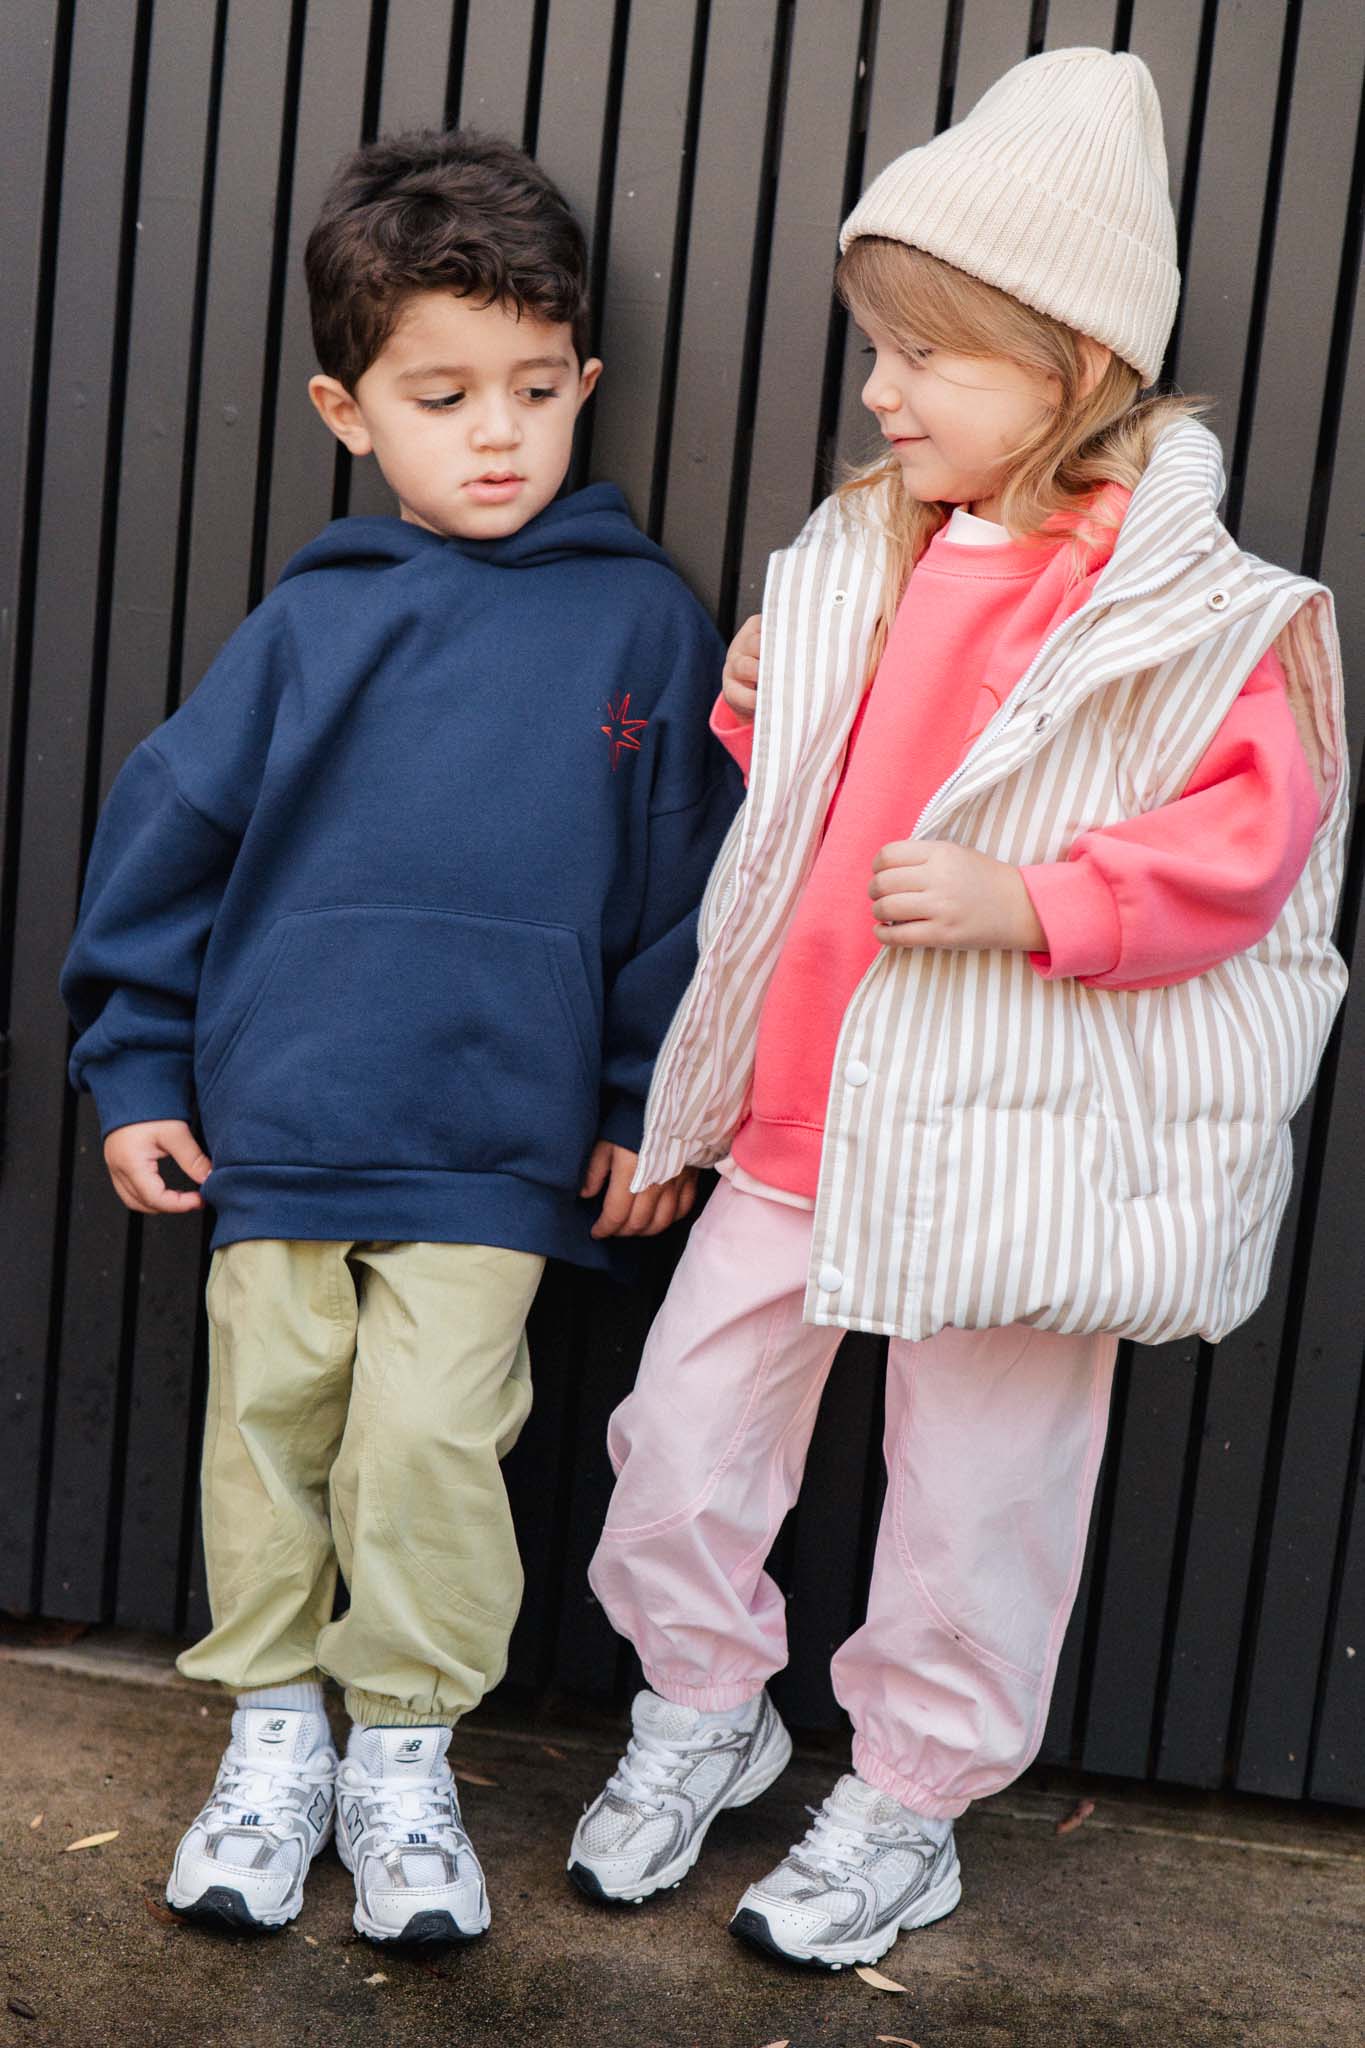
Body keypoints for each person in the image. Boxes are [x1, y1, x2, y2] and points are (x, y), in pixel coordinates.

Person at [567, 48, 1347, 1971]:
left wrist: (1039, 902)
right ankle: (704, 1711)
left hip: (1011, 1139)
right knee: (675, 1443)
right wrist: (767, 696)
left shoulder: (1189, 606)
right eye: (874, 345)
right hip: (802, 1111)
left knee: (974, 1501)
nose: (878, 390)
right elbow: (817, 805)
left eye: (926, 354)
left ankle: (908, 1801)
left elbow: (1255, 846)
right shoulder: (871, 544)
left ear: (1074, 366)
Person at [61, 127, 735, 1948]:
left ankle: (405, 1752)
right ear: (348, 411)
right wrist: (135, 1068)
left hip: (502, 1144)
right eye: (441, 397)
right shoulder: (309, 626)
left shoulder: (643, 624)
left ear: (586, 381)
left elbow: (685, 896)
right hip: (274, 1123)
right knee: (266, 1430)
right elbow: (167, 849)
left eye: (533, 389)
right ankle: (275, 1734)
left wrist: (641, 1103)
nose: (496, 433)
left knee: (431, 1440)